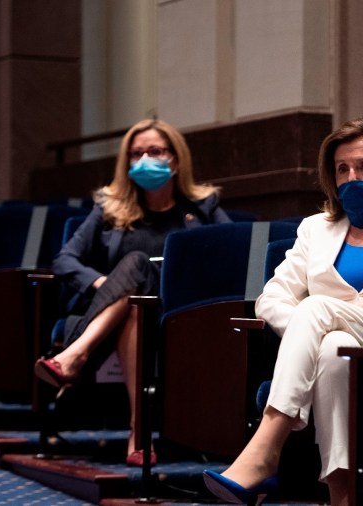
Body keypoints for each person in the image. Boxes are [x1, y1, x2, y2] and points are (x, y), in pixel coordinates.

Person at [202, 118, 363, 505]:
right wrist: (320, 324)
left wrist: (324, 311)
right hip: (334, 349)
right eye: (342, 169)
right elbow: (270, 300)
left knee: (318, 306)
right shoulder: (314, 229)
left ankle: (268, 443)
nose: (352, 177)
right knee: (333, 347)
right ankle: (342, 494)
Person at [34, 118, 230, 466]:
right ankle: (139, 433)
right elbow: (64, 259)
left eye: (155, 152)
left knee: (139, 268)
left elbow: (234, 251)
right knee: (136, 277)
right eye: (136, 154)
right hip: (115, 318)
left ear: (176, 159)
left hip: (177, 318)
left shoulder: (202, 208)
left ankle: (74, 356)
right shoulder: (108, 208)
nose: (145, 160)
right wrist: (106, 285)